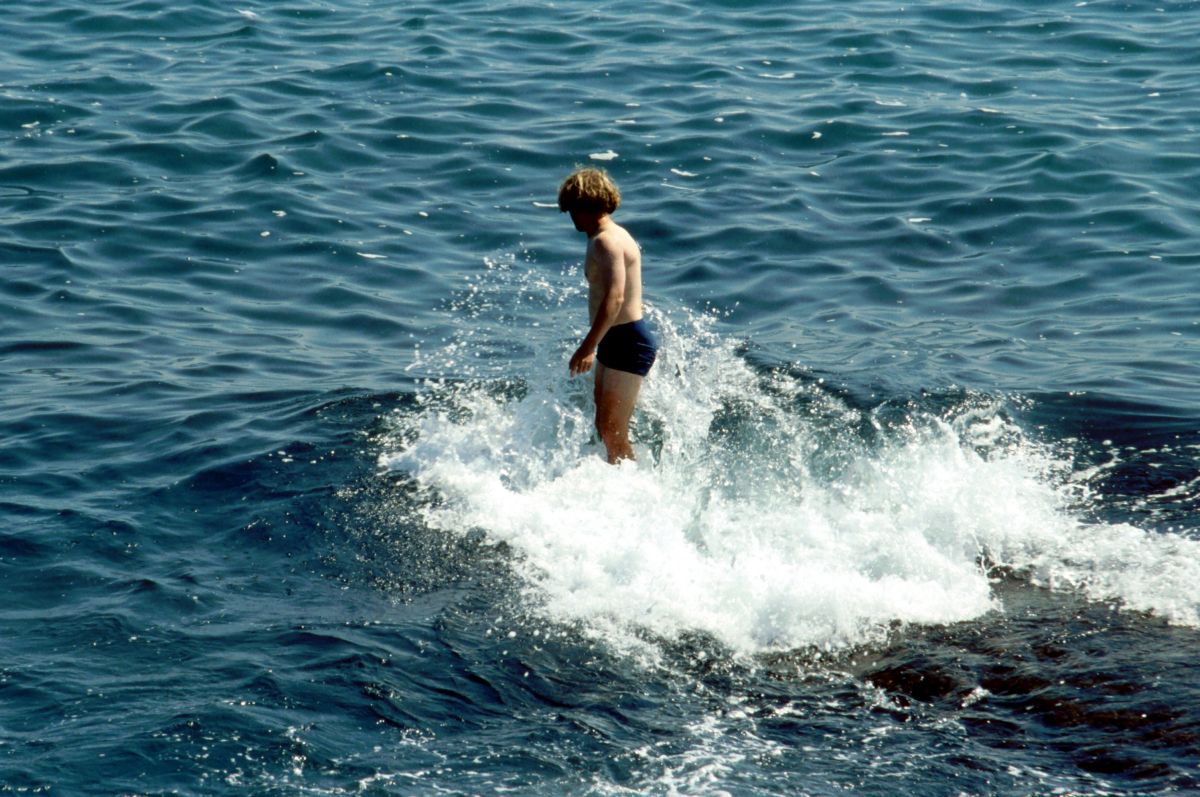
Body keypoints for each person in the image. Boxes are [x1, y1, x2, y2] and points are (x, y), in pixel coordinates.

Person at [558, 167, 657, 464]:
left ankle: (635, 487)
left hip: (628, 341)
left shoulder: (607, 241)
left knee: (611, 430)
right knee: (603, 427)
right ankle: (616, 479)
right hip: (615, 339)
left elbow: (615, 297)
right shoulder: (605, 236)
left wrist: (587, 347)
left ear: (588, 206)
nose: (571, 217)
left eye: (573, 209)